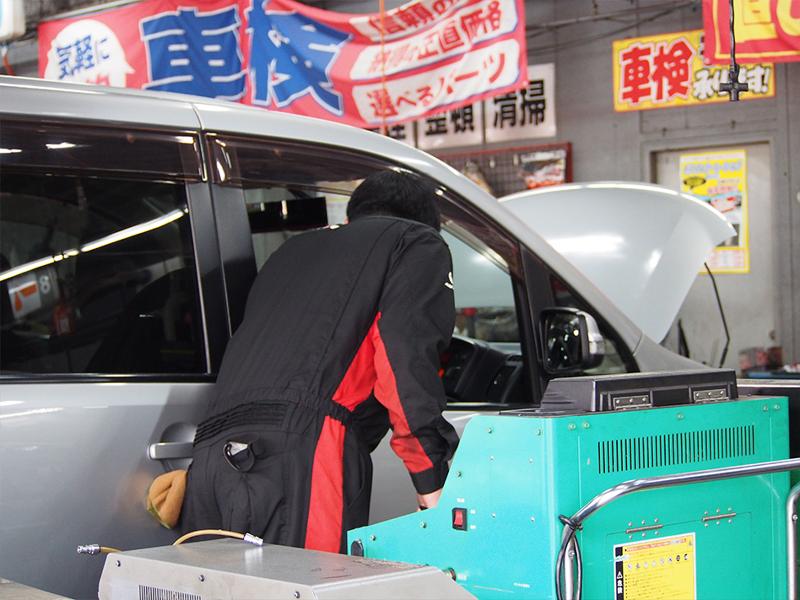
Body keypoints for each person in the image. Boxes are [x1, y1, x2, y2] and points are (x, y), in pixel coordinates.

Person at [181, 169, 459, 553]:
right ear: (429, 223)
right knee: (308, 580)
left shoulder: (289, 252)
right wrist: (433, 481)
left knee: (211, 583)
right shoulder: (414, 241)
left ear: (352, 216)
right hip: (304, 456)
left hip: (210, 457)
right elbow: (404, 364)